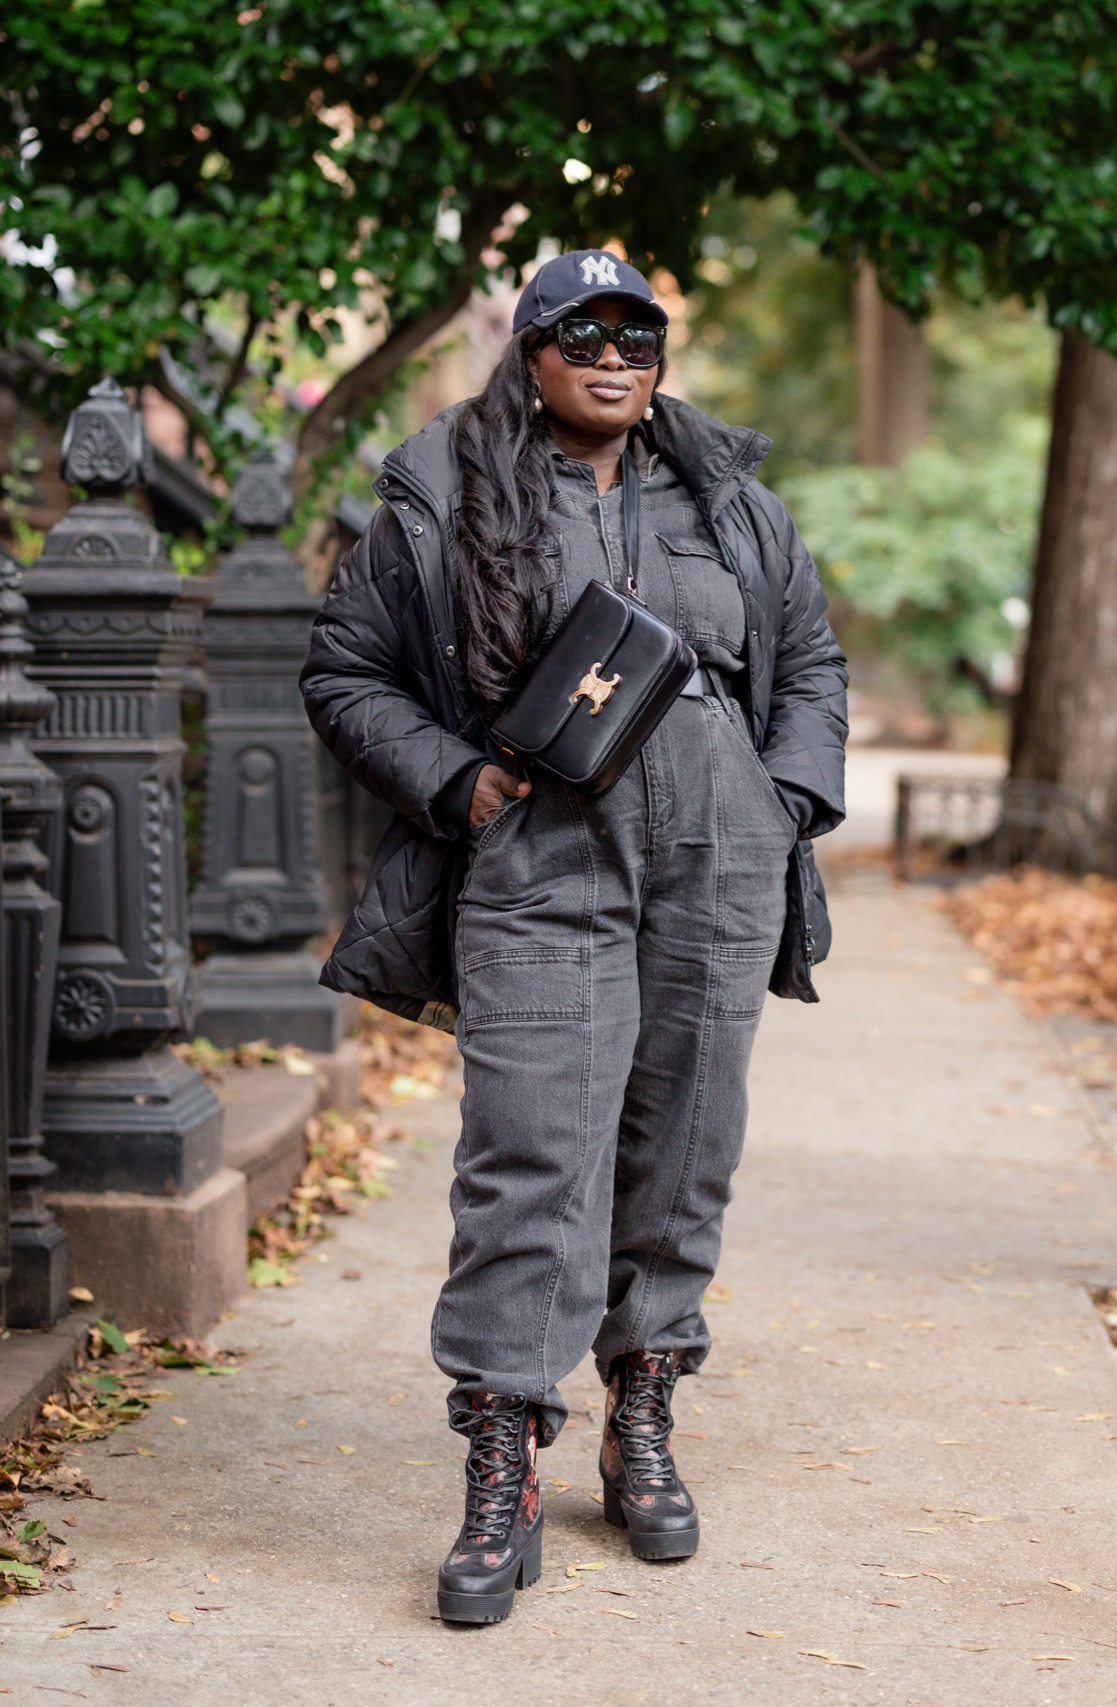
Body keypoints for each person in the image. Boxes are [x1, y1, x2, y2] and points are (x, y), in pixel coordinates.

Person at [301, 249, 847, 1624]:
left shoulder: (727, 499)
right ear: (531, 352)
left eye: (639, 336)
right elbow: (343, 668)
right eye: (583, 332)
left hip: (717, 866)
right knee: (531, 1151)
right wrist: (455, 781)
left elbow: (812, 663)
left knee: (682, 1146)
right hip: (540, 863)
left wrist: (781, 800)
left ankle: (642, 1409)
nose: (615, 355)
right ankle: (502, 1454)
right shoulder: (449, 494)